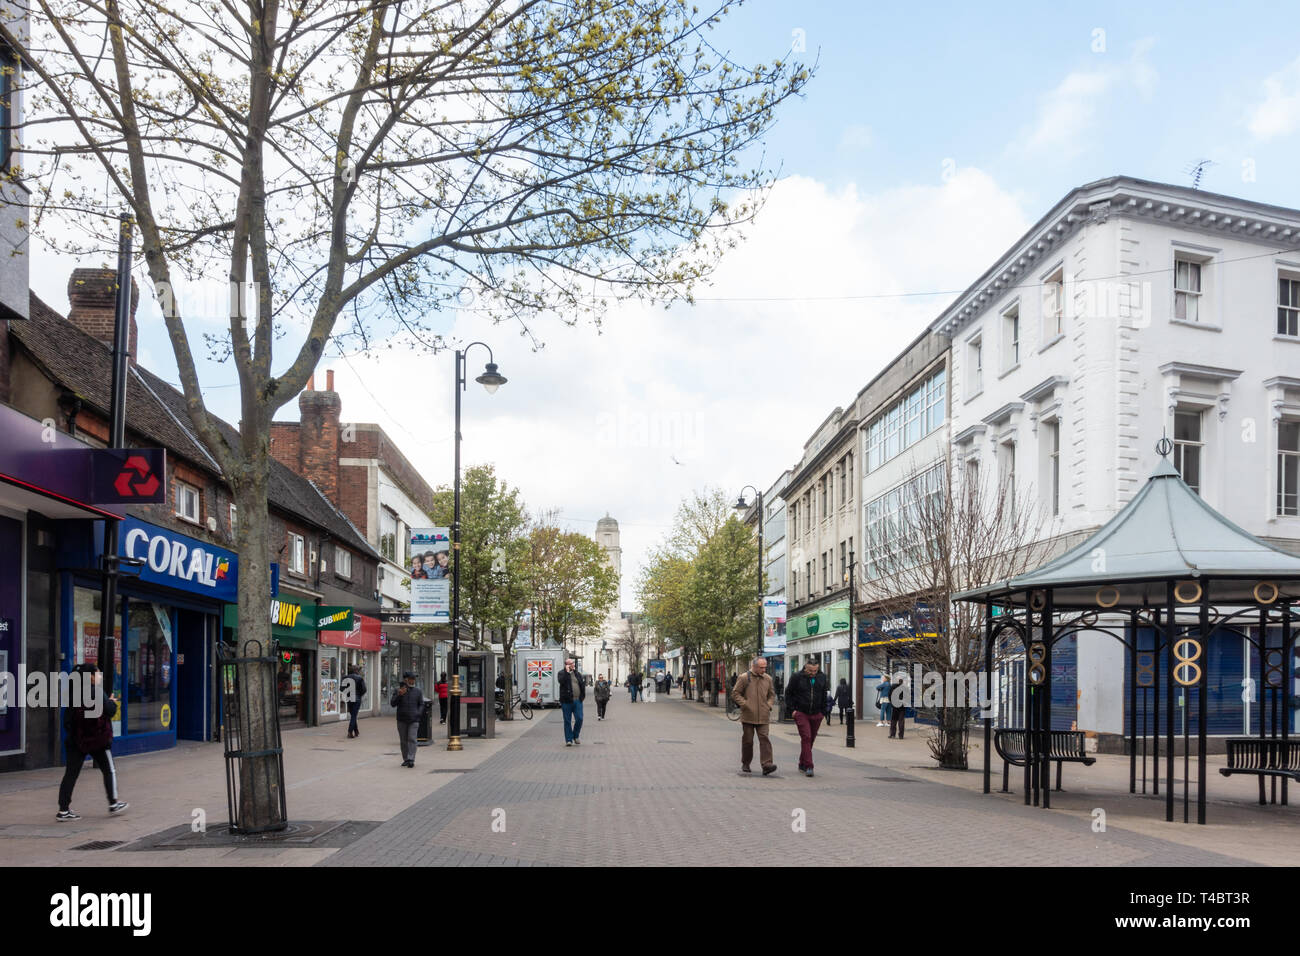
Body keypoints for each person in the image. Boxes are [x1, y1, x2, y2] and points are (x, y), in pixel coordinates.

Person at [57, 664, 129, 820]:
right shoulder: (95, 691)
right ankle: (113, 803)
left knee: (71, 773)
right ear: (90, 676)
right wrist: (111, 701)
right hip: (97, 740)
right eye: (98, 674)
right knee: (109, 770)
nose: (100, 677)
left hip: (76, 740)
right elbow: (109, 711)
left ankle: (63, 810)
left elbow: (67, 719)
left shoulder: (72, 692)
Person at [731, 656, 778, 776]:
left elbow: (772, 695)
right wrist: (745, 704)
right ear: (754, 666)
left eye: (765, 667)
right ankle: (746, 763)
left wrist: (769, 705)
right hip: (748, 715)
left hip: (763, 715)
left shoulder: (768, 679)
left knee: (765, 739)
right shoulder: (744, 678)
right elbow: (735, 693)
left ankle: (767, 764)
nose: (764, 670)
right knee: (748, 741)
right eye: (761, 667)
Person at [785, 658, 830, 777]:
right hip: (801, 712)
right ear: (805, 667)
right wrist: (792, 710)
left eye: (815, 670)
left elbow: (824, 694)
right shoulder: (796, 677)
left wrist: (823, 712)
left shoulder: (822, 677)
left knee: (811, 739)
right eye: (810, 670)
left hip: (817, 713)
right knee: (806, 737)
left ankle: (802, 763)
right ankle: (809, 766)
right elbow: (788, 693)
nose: (813, 673)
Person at [391, 670, 425, 767]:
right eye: (411, 678)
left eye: (414, 678)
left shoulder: (418, 691)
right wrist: (399, 695)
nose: (413, 680)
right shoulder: (398, 690)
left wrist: (418, 713)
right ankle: (406, 758)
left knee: (412, 738)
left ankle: (411, 759)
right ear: (406, 679)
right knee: (403, 740)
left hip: (414, 719)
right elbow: (393, 704)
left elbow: (421, 704)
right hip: (402, 719)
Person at [557, 658, 586, 746]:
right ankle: (568, 740)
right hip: (566, 701)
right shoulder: (561, 673)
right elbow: (561, 681)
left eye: (573, 663)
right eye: (571, 663)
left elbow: (582, 685)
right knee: (567, 721)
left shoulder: (577, 674)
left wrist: (582, 696)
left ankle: (575, 735)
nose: (573, 664)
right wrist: (566, 672)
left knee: (580, 718)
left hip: (577, 700)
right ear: (566, 665)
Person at [341, 664, 366, 738]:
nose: (359, 672)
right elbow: (364, 689)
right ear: (356, 671)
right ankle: (350, 731)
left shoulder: (345, 677)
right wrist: (359, 695)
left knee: (353, 715)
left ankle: (356, 731)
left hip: (349, 698)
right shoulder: (360, 678)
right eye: (358, 670)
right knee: (354, 715)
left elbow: (342, 688)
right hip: (356, 698)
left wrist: (347, 694)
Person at [889, 673, 907, 739]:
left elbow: (889, 695)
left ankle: (892, 734)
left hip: (894, 705)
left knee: (893, 720)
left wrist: (891, 703)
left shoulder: (893, 686)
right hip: (902, 706)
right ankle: (901, 735)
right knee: (901, 720)